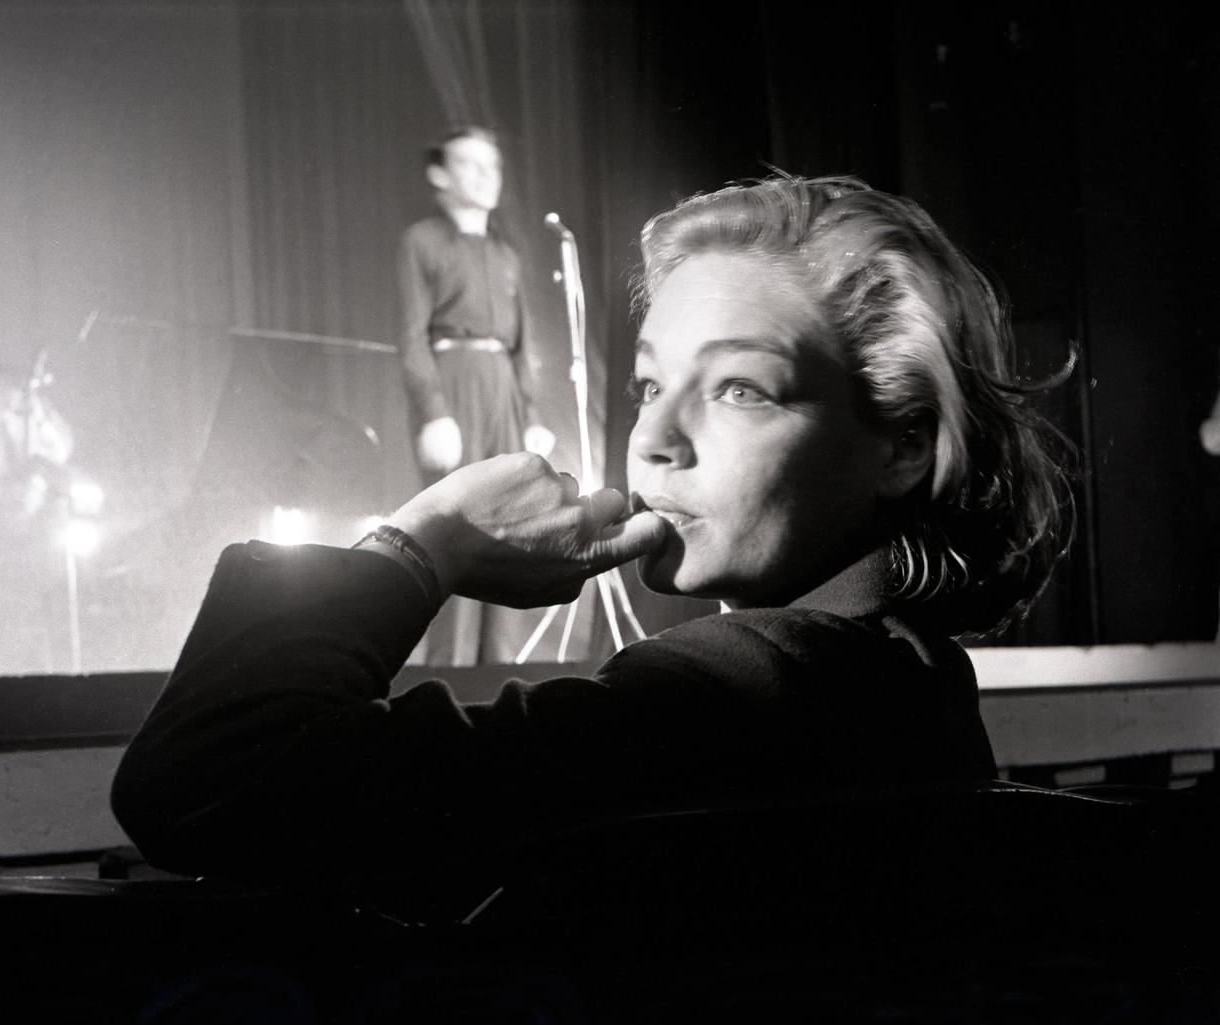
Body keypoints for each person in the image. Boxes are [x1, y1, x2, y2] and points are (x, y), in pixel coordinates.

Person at [112, 174, 1071, 899]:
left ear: (903, 444)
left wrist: (425, 538)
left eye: (738, 387)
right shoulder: (907, 678)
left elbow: (207, 776)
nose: (652, 438)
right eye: (651, 385)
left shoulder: (751, 689)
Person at [396, 125, 556, 664]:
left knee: (508, 525)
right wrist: (434, 413)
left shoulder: (507, 255)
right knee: (454, 528)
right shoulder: (422, 241)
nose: (487, 177)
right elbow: (412, 334)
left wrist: (531, 413)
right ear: (440, 175)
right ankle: (446, 674)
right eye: (471, 165)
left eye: (493, 166)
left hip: (504, 390)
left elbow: (524, 340)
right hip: (455, 380)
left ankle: (498, 673)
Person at [0, 359, 75, 672]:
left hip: (36, 532)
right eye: (1, 388)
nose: (8, 395)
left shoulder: (31, 423)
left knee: (41, 601)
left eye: (14, 388)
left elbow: (60, 451)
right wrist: (9, 495)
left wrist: (42, 417)